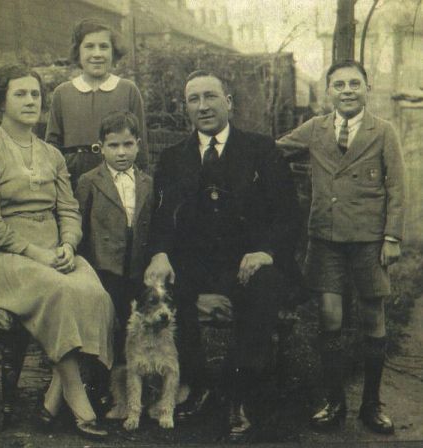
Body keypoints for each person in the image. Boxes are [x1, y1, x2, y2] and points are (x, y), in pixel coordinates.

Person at [144, 70, 300, 440]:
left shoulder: (261, 150)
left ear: (228, 102)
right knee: (166, 288)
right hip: (197, 265)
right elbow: (163, 217)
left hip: (249, 262)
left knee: (263, 289)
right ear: (186, 108)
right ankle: (197, 386)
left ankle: (238, 392)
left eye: (210, 96)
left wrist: (266, 252)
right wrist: (161, 253)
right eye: (194, 99)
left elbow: (289, 215)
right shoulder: (172, 157)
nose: (203, 106)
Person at [0, 65, 114, 439]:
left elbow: (68, 210)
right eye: (20, 94)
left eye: (35, 94)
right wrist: (37, 253)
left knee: (97, 295)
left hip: (53, 251)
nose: (31, 100)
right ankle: (77, 395)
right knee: (60, 292)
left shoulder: (52, 154)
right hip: (1, 257)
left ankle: (54, 393)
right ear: (0, 101)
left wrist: (67, 245)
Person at [276, 60, 405, 435]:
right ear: (328, 91)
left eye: (354, 84)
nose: (347, 90)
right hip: (326, 238)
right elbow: (275, 151)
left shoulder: (383, 131)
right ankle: (333, 402)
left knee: (371, 317)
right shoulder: (315, 129)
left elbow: (397, 187)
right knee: (330, 317)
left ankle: (372, 404)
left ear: (366, 89)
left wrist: (392, 238)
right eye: (339, 85)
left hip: (369, 240)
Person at [75, 111, 153, 365]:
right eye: (114, 145)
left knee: (134, 328)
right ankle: (100, 384)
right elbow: (80, 227)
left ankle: (132, 380)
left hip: (138, 270)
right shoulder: (89, 182)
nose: (121, 152)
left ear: (138, 145)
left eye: (128, 145)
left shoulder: (148, 183)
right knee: (105, 328)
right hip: (103, 270)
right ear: (101, 147)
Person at [46, 18, 148, 189]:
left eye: (104, 47)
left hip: (117, 179)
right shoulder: (62, 93)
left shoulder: (128, 90)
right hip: (72, 179)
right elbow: (52, 145)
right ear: (77, 51)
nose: (97, 54)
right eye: (89, 46)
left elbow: (140, 146)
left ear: (113, 52)